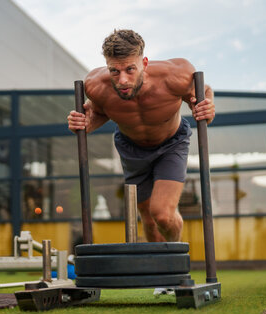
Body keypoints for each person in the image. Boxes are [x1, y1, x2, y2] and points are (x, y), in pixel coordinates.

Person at [67, 29, 215, 244]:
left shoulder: (175, 75)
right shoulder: (96, 86)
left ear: (144, 63)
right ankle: (158, 272)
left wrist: (207, 107)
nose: (123, 80)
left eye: (130, 69)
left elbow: (205, 91)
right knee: (149, 218)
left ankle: (175, 255)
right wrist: (83, 123)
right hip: (131, 148)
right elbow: (97, 114)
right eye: (114, 71)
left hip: (171, 144)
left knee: (162, 214)